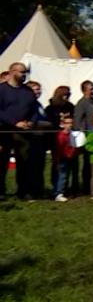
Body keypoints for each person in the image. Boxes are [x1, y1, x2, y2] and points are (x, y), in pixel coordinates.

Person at [0, 63, 39, 200]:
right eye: (22, 72)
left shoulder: (27, 92)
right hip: (5, 131)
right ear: (12, 72)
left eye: (25, 72)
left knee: (24, 162)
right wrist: (14, 122)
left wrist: (31, 122)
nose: (24, 75)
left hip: (23, 133)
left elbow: (34, 110)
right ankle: (1, 191)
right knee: (2, 162)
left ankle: (23, 191)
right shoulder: (2, 90)